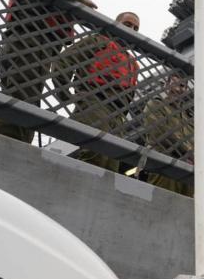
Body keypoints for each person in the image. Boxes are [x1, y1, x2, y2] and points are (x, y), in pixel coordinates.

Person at [0, 0, 98, 142]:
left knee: (27, 102)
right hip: (28, 41)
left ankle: (17, 146)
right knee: (19, 99)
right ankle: (1, 146)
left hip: (38, 46)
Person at [51, 12, 140, 172]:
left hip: (118, 114)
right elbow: (63, 62)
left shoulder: (132, 62)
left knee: (112, 164)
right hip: (95, 101)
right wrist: (65, 95)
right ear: (116, 23)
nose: (132, 30)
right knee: (95, 154)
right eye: (128, 25)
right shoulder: (97, 40)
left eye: (135, 28)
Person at [143, 72, 194, 196]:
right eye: (174, 84)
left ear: (186, 90)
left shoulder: (188, 118)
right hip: (163, 166)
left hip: (187, 172)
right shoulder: (156, 104)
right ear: (166, 85)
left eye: (182, 86)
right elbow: (161, 134)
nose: (178, 89)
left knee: (186, 210)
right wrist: (191, 152)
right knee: (162, 203)